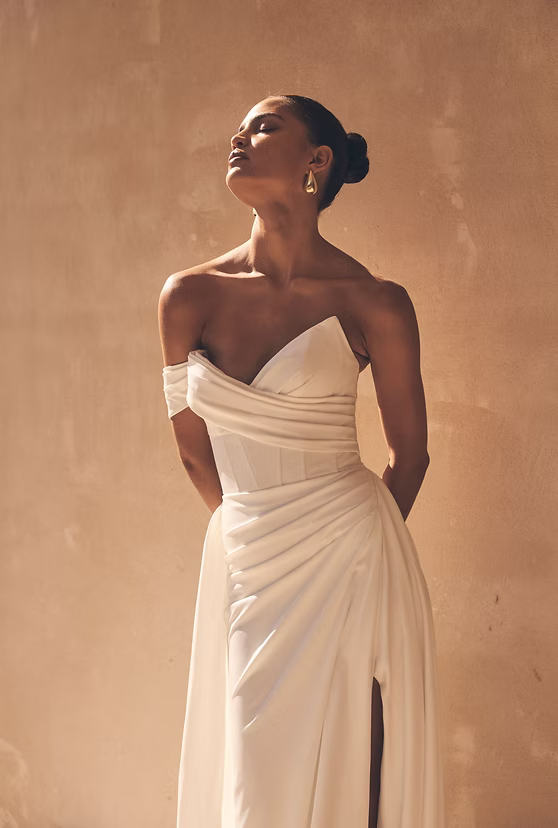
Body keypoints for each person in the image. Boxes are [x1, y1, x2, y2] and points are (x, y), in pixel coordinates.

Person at [158, 94, 446, 828]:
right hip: (251, 555)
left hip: (352, 558)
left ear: (317, 161)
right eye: (243, 125)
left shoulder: (375, 301)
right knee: (256, 772)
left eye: (264, 125)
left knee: (359, 762)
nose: (239, 135)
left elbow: (409, 457)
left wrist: (350, 542)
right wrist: (256, 535)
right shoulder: (188, 296)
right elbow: (194, 453)